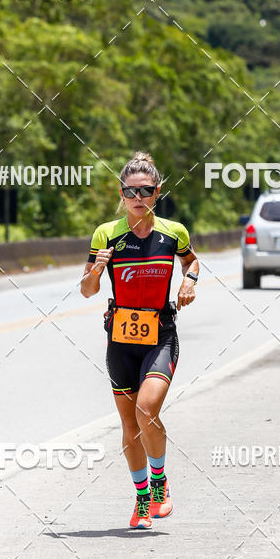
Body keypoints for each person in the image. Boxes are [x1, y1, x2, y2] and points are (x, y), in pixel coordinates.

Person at [80, 151, 199, 529]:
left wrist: (189, 281)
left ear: (157, 192)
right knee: (130, 427)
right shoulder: (106, 233)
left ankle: (160, 482)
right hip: (120, 340)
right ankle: (142, 498)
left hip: (161, 335)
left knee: (147, 410)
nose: (138, 197)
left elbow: (191, 261)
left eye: (146, 190)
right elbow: (86, 290)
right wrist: (97, 269)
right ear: (122, 193)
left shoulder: (174, 232)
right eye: (131, 191)